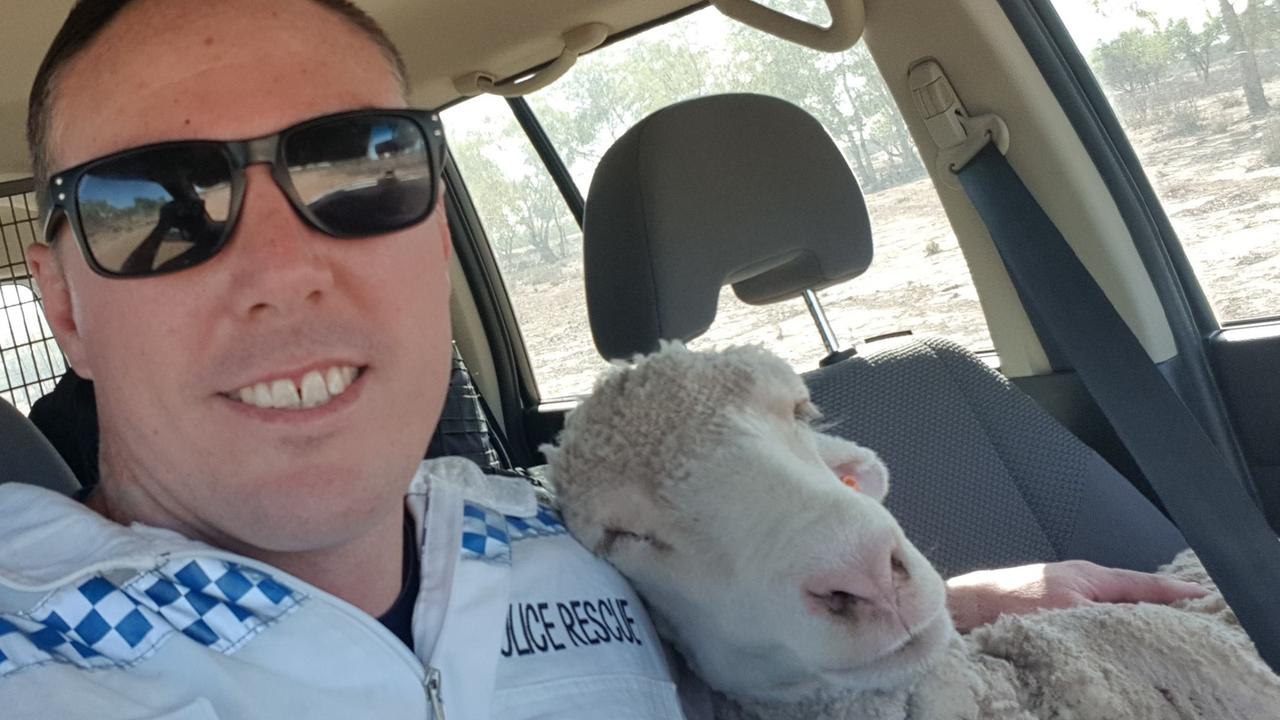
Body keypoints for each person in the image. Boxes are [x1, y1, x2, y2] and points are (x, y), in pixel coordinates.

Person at [0, 1, 1206, 718]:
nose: (281, 267)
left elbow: (733, 605)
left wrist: (959, 603)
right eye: (148, 201)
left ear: (430, 233)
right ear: (61, 303)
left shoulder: (555, 530)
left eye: (359, 167)